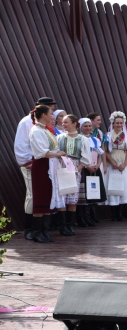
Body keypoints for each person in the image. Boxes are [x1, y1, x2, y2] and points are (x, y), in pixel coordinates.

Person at [15, 96, 57, 240]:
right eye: (51, 110)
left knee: (44, 195)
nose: (53, 113)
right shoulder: (27, 123)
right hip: (32, 163)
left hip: (45, 164)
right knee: (33, 195)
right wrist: (27, 162)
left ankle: (42, 229)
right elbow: (20, 144)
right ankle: (30, 229)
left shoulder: (45, 126)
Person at [29, 105, 65, 242]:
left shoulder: (45, 130)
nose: (52, 116)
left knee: (48, 195)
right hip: (42, 166)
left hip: (49, 165)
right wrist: (58, 153)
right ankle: (38, 232)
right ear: (43, 115)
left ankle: (44, 231)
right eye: (50, 113)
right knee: (41, 196)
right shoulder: (36, 131)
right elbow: (41, 152)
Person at [56, 114, 90, 235]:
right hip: (62, 166)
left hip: (75, 167)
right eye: (63, 122)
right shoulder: (59, 137)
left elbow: (86, 157)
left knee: (72, 198)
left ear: (74, 123)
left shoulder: (83, 139)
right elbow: (56, 152)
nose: (63, 124)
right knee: (62, 196)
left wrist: (78, 169)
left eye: (66, 122)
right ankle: (63, 225)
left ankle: (70, 224)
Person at [104, 111, 127, 221]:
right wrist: (112, 162)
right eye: (116, 123)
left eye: (120, 123)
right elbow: (105, 151)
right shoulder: (107, 136)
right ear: (112, 123)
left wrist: (124, 164)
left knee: (123, 186)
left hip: (123, 164)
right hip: (112, 164)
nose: (118, 125)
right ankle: (113, 213)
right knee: (113, 187)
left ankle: (121, 212)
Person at [76, 117, 105, 227]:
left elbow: (99, 154)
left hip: (95, 168)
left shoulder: (95, 140)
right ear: (80, 127)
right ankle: (82, 217)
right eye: (85, 126)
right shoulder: (79, 139)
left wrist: (97, 165)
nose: (88, 128)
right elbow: (79, 155)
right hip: (85, 168)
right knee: (85, 194)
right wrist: (87, 166)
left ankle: (92, 216)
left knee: (94, 192)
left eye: (89, 126)